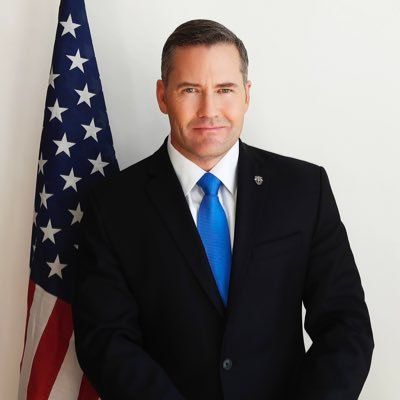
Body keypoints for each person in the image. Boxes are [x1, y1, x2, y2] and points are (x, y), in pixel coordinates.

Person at [72, 19, 374, 400]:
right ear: (162, 96)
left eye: (224, 89)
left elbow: (346, 326)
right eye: (190, 90)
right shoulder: (112, 206)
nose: (209, 110)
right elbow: (106, 341)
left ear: (247, 95)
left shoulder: (303, 190)